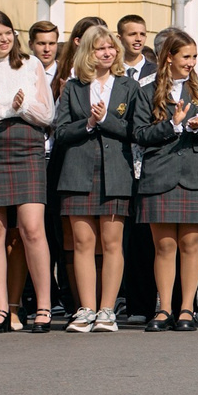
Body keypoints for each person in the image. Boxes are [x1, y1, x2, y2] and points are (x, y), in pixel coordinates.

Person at [0, 9, 52, 332]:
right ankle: (0, 309)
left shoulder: (30, 65)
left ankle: (42, 307)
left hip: (26, 145)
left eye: (8, 33)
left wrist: (22, 107)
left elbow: (48, 114)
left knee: (31, 228)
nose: (4, 39)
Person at [50, 20, 137, 332]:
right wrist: (88, 122)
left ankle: (107, 310)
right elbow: (59, 132)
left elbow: (136, 130)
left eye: (111, 47)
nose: (108, 52)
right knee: (82, 242)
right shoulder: (73, 87)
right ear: (87, 52)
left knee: (112, 242)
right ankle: (86, 309)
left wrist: (107, 121)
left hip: (116, 171)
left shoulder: (130, 87)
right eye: (101, 48)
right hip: (77, 171)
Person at [127, 29, 198, 330]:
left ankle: (187, 309)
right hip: (160, 173)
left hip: (195, 173)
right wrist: (172, 125)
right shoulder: (146, 90)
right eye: (186, 57)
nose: (191, 62)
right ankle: (163, 309)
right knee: (164, 245)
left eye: (194, 57)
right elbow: (138, 134)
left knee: (192, 243)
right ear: (169, 57)